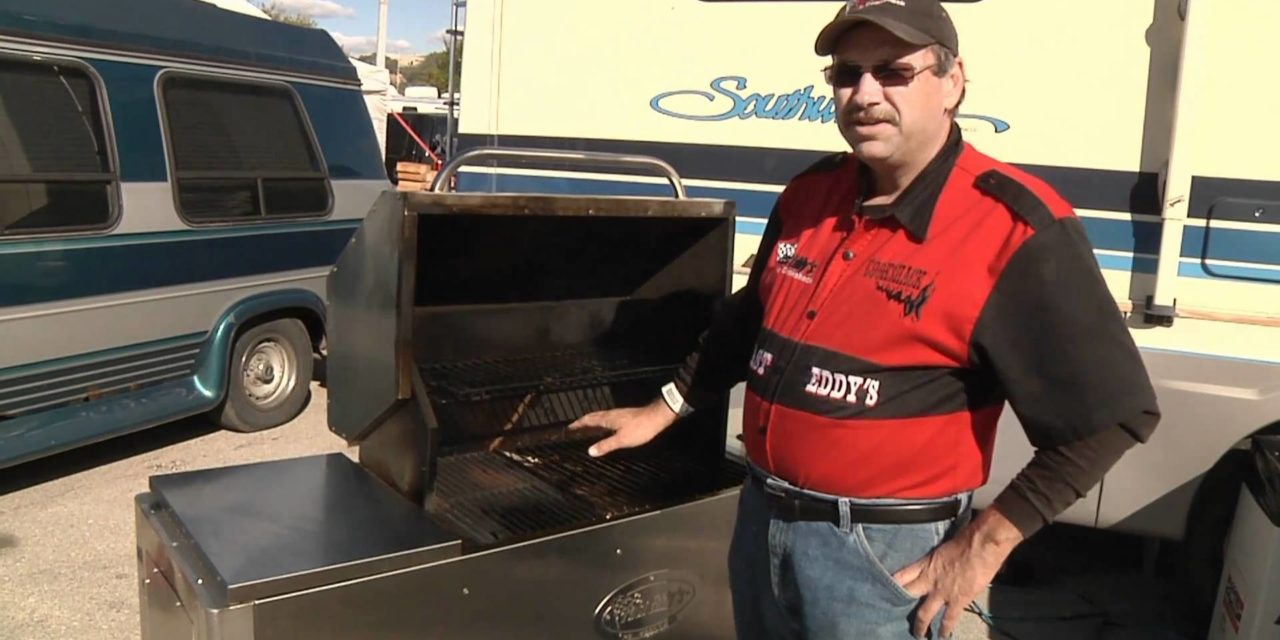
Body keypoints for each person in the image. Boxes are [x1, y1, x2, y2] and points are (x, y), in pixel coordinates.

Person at [570, 1, 1161, 638]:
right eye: (847, 73)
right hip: (760, 520)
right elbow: (749, 322)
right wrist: (662, 408)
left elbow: (1113, 416)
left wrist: (984, 545)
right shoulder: (808, 194)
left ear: (953, 81)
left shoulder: (1013, 228)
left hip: (883, 560)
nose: (865, 94)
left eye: (894, 72)